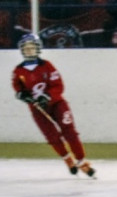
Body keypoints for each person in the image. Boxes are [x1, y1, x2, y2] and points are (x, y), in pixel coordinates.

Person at [11, 33, 96, 178]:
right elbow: (18, 88)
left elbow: (58, 85)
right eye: (26, 48)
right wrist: (21, 94)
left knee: (69, 131)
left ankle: (82, 161)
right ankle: (67, 159)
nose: (29, 50)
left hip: (57, 104)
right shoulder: (18, 71)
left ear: (38, 49)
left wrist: (48, 96)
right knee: (52, 136)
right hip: (38, 109)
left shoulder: (47, 66)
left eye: (32, 47)